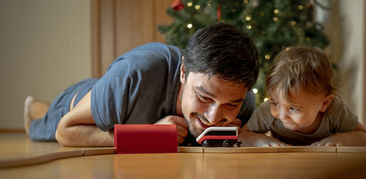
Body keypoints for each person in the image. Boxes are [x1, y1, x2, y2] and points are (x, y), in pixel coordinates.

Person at [24, 23, 259, 147]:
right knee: (42, 121)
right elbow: (65, 131)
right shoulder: (136, 72)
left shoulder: (244, 100)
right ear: (184, 72)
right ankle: (34, 106)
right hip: (77, 102)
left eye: (229, 104)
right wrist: (148, 136)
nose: (213, 116)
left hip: (116, 98)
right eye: (204, 97)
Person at [239, 46, 366, 147]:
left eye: (293, 108)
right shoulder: (266, 111)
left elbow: (362, 135)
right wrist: (259, 141)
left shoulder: (335, 110)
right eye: (276, 103)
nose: (282, 115)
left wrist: (340, 140)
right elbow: (243, 135)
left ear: (324, 104)